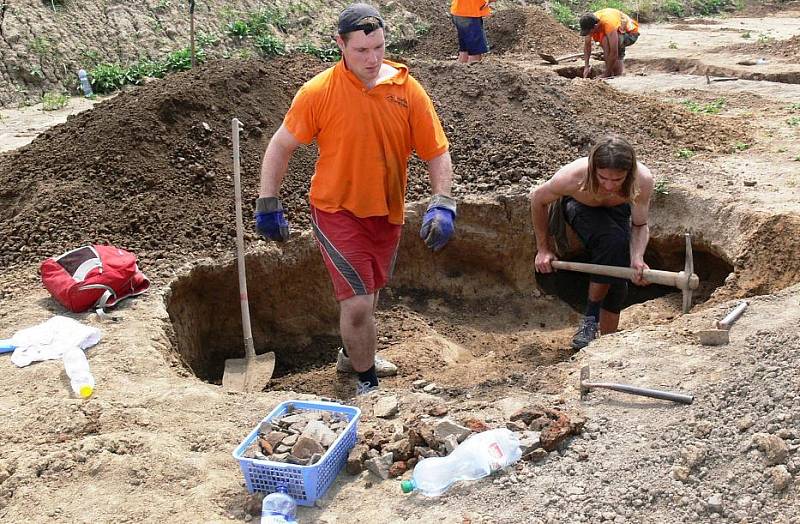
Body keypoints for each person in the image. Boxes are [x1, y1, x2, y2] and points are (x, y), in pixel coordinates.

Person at [254, 3, 457, 395]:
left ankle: (352, 355)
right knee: (360, 304)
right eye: (362, 50)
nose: (373, 58)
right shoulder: (319, 92)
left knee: (371, 291)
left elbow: (435, 150)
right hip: (336, 210)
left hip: (386, 210)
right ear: (340, 45)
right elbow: (281, 145)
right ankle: (366, 383)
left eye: (379, 47)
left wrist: (443, 200)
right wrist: (268, 201)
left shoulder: (405, 88)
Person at [530, 135, 654, 350]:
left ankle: (606, 344)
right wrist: (543, 248)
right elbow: (538, 200)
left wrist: (637, 258)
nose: (608, 185)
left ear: (629, 172)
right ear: (593, 169)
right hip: (579, 206)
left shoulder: (642, 180)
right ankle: (591, 315)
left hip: (618, 211)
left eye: (617, 180)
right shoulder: (572, 177)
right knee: (612, 241)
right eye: (603, 178)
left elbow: (640, 225)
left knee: (619, 266)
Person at [579, 8, 639, 78]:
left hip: (631, 33)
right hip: (613, 31)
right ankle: (610, 70)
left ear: (595, 27)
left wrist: (606, 74)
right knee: (604, 41)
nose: (589, 34)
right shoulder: (590, 21)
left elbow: (614, 51)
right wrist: (586, 66)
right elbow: (587, 46)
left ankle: (612, 72)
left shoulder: (609, 24)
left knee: (605, 41)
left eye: (589, 32)